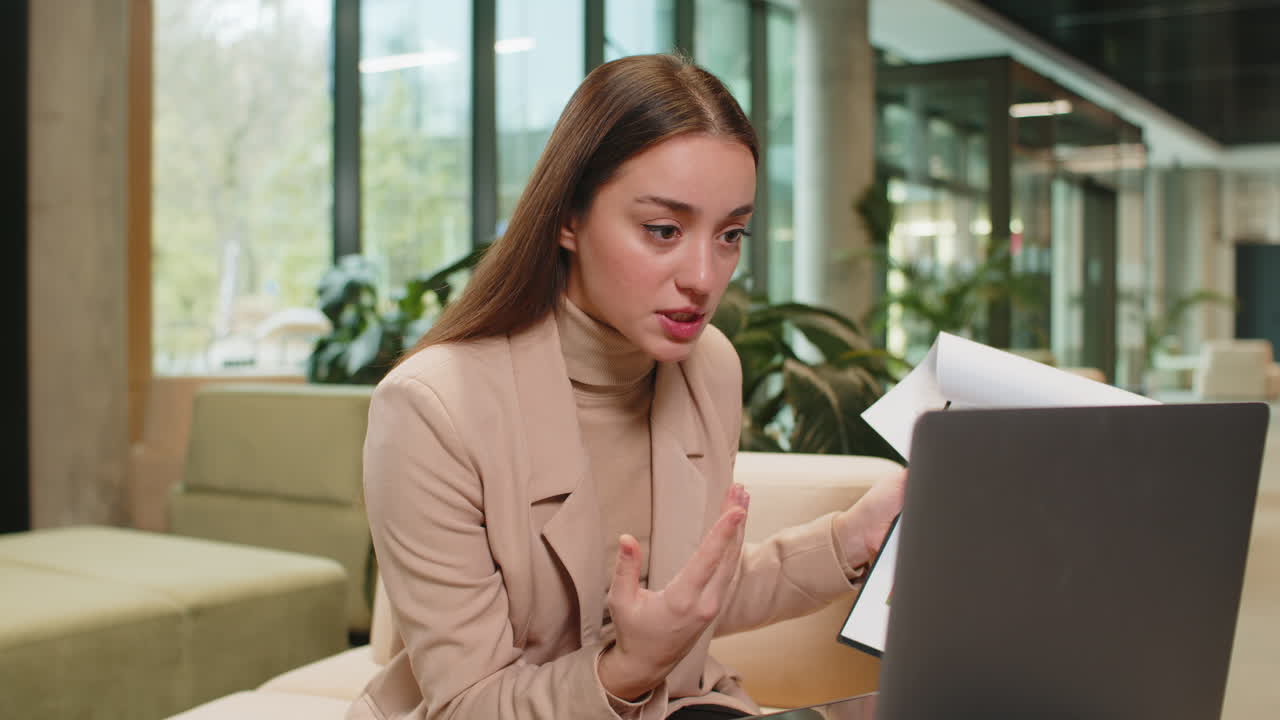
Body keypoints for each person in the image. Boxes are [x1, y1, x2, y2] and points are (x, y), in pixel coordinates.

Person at [349, 53, 905, 720]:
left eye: (730, 234)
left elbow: (684, 599)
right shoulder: (432, 408)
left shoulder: (710, 366)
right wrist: (628, 669)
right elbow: (469, 703)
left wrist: (854, 537)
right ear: (569, 217)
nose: (704, 276)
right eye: (663, 230)